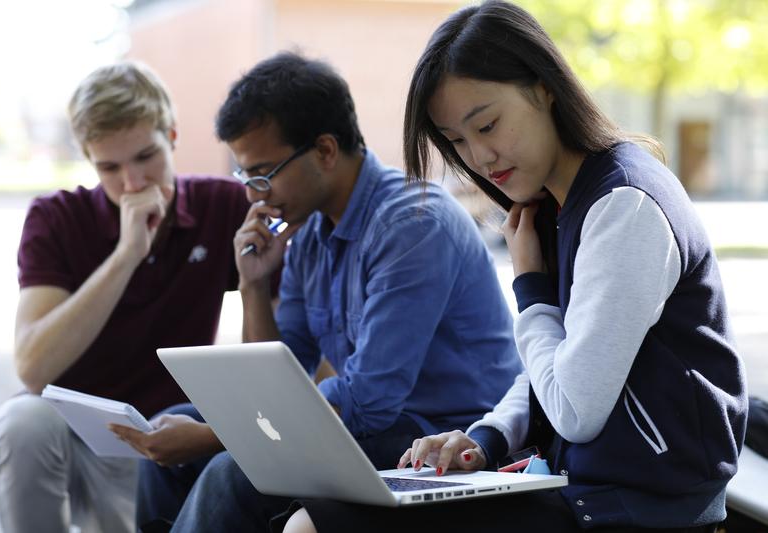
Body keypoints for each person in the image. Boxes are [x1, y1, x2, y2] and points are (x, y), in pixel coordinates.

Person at [280, 2, 748, 532]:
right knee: (315, 512)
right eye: (456, 140)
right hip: (585, 487)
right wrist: (483, 439)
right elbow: (556, 370)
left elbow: (574, 407)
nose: (479, 156)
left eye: (488, 124)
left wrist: (531, 289)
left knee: (314, 524)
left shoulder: (625, 205)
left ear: (544, 86)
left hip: (647, 506)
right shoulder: (557, 205)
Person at [134, 51, 523, 532]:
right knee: (168, 428)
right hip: (383, 425)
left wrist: (219, 436)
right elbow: (276, 381)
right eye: (245, 177)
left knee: (233, 471)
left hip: (442, 436)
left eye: (264, 173)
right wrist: (254, 284)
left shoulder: (414, 224)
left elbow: (368, 401)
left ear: (324, 150)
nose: (256, 194)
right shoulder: (311, 232)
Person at [0, 61, 253, 533]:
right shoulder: (57, 217)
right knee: (21, 422)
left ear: (172, 136)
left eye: (146, 156)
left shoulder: (224, 205)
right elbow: (32, 368)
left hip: (165, 438)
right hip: (73, 430)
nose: (133, 183)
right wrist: (126, 255)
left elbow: (278, 335)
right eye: (109, 167)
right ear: (90, 161)